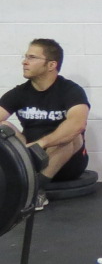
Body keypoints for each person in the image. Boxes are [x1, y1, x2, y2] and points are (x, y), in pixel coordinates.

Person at [0, 39, 90, 210]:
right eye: (25, 57)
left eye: (32, 57)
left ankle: (36, 189)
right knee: (3, 126)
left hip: (67, 162)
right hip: (32, 157)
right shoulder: (19, 93)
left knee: (72, 136)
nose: (24, 62)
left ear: (51, 65)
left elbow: (77, 124)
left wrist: (41, 144)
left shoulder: (71, 91)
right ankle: (19, 178)